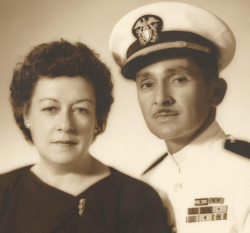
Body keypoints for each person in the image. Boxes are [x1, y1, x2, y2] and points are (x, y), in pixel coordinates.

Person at [0, 39, 169, 233]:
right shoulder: (3, 193)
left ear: (97, 119)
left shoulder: (138, 199)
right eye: (50, 108)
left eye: (81, 109)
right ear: (26, 115)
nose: (65, 125)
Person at [109, 2, 250, 233]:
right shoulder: (144, 183)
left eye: (178, 79)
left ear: (215, 92)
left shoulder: (245, 173)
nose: (161, 98)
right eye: (147, 84)